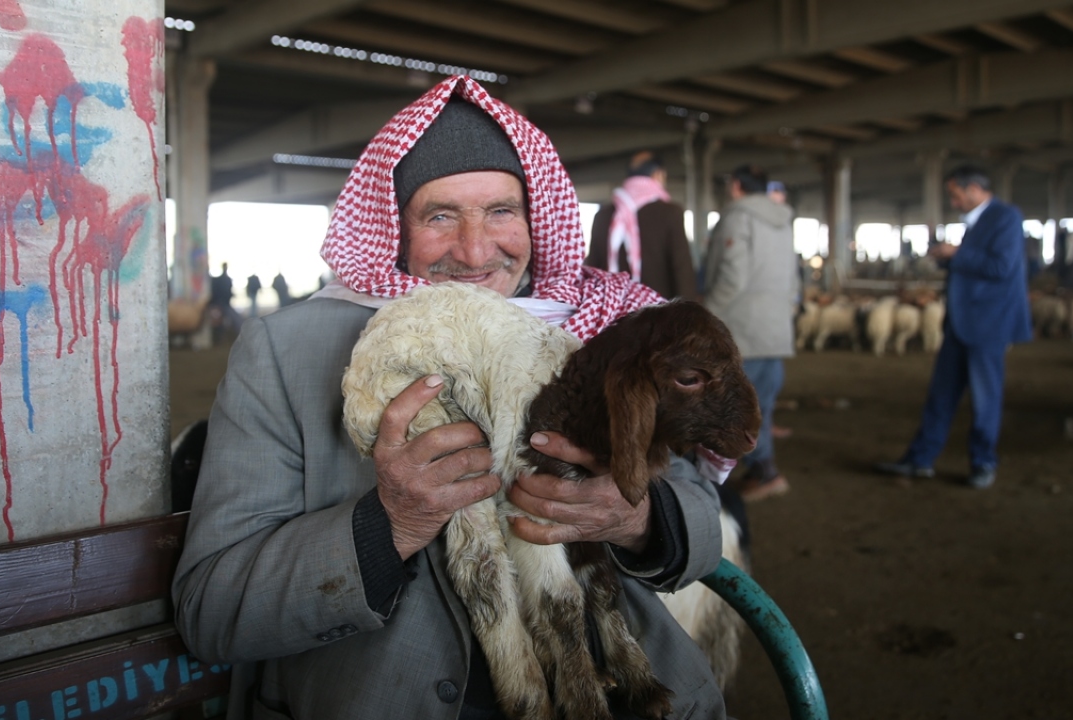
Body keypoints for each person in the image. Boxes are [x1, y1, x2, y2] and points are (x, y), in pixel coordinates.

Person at [172, 77, 726, 720]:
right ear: (393, 229)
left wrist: (633, 515)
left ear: (537, 219)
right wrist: (388, 525)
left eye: (500, 211)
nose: (474, 250)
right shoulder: (288, 352)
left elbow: (703, 515)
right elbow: (211, 611)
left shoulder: (598, 330)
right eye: (440, 216)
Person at [876, 165, 1032, 490]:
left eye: (956, 194)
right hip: (961, 323)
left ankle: (983, 462)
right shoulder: (977, 222)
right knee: (941, 396)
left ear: (974, 189)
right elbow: (976, 264)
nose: (954, 200)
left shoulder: (1005, 217)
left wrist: (956, 253)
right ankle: (920, 459)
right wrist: (945, 256)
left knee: (985, 399)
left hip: (987, 324)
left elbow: (1001, 266)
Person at [702, 164, 797, 501]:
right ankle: (762, 469)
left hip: (743, 327)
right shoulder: (784, 220)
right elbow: (793, 277)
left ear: (736, 186)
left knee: (733, 405)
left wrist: (706, 311)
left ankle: (758, 472)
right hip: (775, 328)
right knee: (762, 406)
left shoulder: (737, 216)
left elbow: (733, 276)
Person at [586, 151, 698, 300]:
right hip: (658, 313)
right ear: (659, 174)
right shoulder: (670, 213)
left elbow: (591, 268)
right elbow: (681, 268)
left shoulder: (603, 215)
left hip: (611, 310)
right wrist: (689, 314)